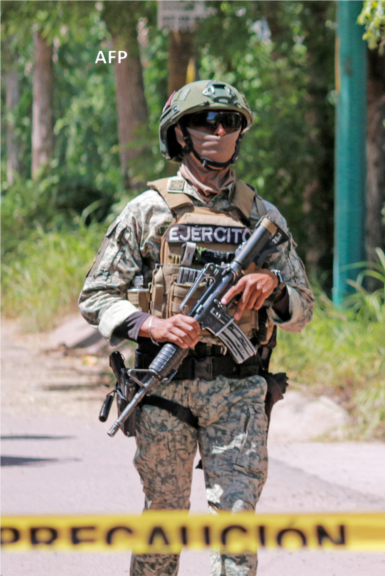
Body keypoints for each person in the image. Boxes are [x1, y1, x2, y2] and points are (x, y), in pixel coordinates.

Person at [79, 79, 314, 576]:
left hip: (240, 388)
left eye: (229, 122)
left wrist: (270, 286)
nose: (220, 130)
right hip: (163, 389)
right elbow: (95, 296)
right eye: (207, 121)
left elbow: (303, 311)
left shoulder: (262, 218)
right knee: (163, 518)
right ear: (181, 134)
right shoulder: (147, 212)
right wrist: (152, 326)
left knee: (237, 524)